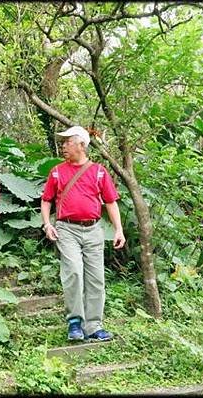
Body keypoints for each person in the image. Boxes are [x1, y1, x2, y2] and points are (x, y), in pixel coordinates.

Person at [40, 126, 126, 342]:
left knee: (96, 278)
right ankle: (75, 322)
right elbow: (46, 199)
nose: (63, 146)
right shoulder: (57, 171)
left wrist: (118, 229)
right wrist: (47, 224)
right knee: (74, 273)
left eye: (67, 142)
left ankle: (94, 325)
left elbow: (111, 202)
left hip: (93, 230)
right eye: (63, 142)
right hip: (66, 229)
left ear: (81, 145)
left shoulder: (98, 171)